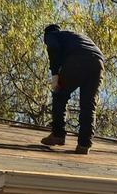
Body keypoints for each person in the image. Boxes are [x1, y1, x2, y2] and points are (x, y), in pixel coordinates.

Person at [40, 25, 105, 154]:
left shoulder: (52, 35)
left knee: (59, 94)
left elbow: (53, 48)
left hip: (78, 60)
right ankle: (84, 144)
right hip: (98, 63)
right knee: (88, 104)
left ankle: (58, 135)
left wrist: (55, 75)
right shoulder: (74, 36)